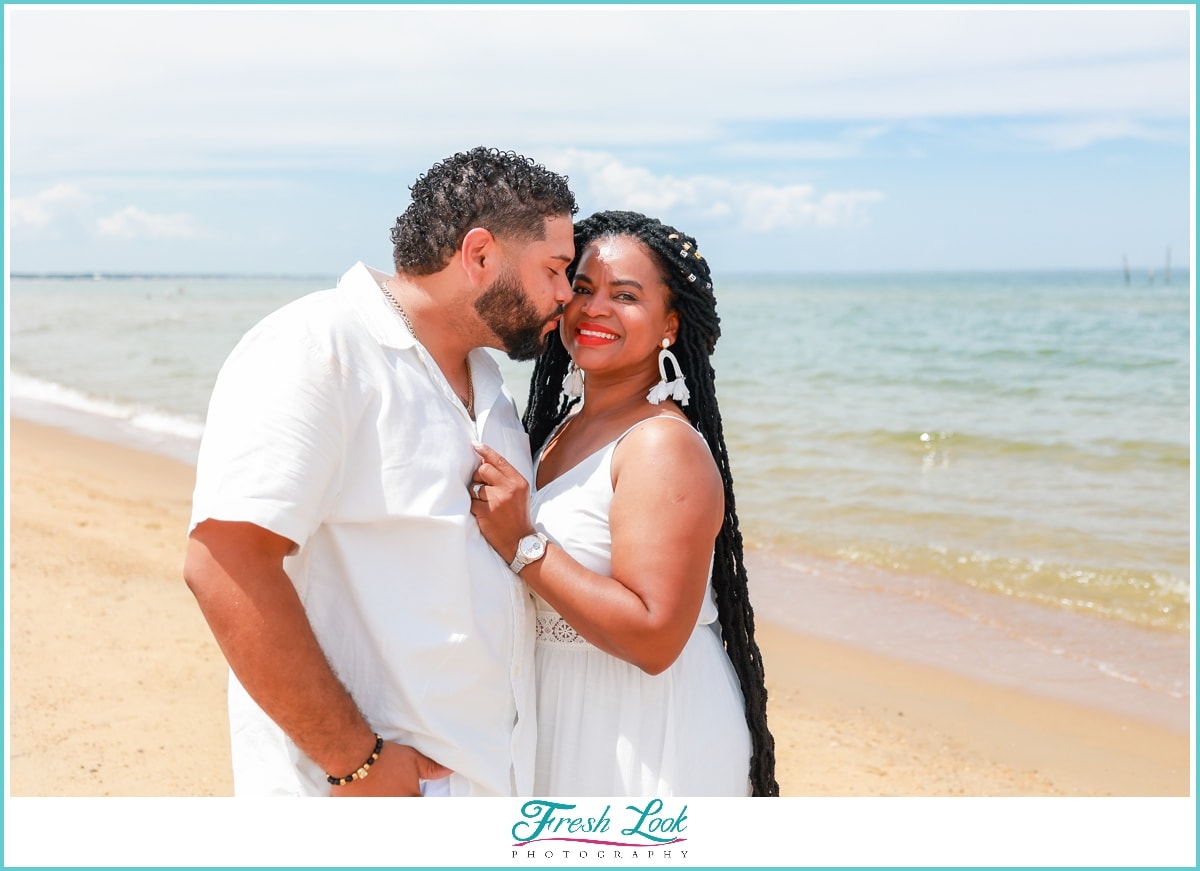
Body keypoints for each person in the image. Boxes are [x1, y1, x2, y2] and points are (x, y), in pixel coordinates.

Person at [182, 146, 577, 796]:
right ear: (479, 256)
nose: (566, 293)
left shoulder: (493, 392)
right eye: (556, 269)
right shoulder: (317, 346)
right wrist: (356, 760)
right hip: (362, 801)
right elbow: (225, 562)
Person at [470, 210, 779, 797]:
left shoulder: (661, 444)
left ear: (669, 324)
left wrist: (522, 545)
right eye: (582, 288)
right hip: (559, 711)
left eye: (626, 295)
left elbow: (654, 637)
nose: (594, 308)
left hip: (642, 731)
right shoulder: (558, 430)